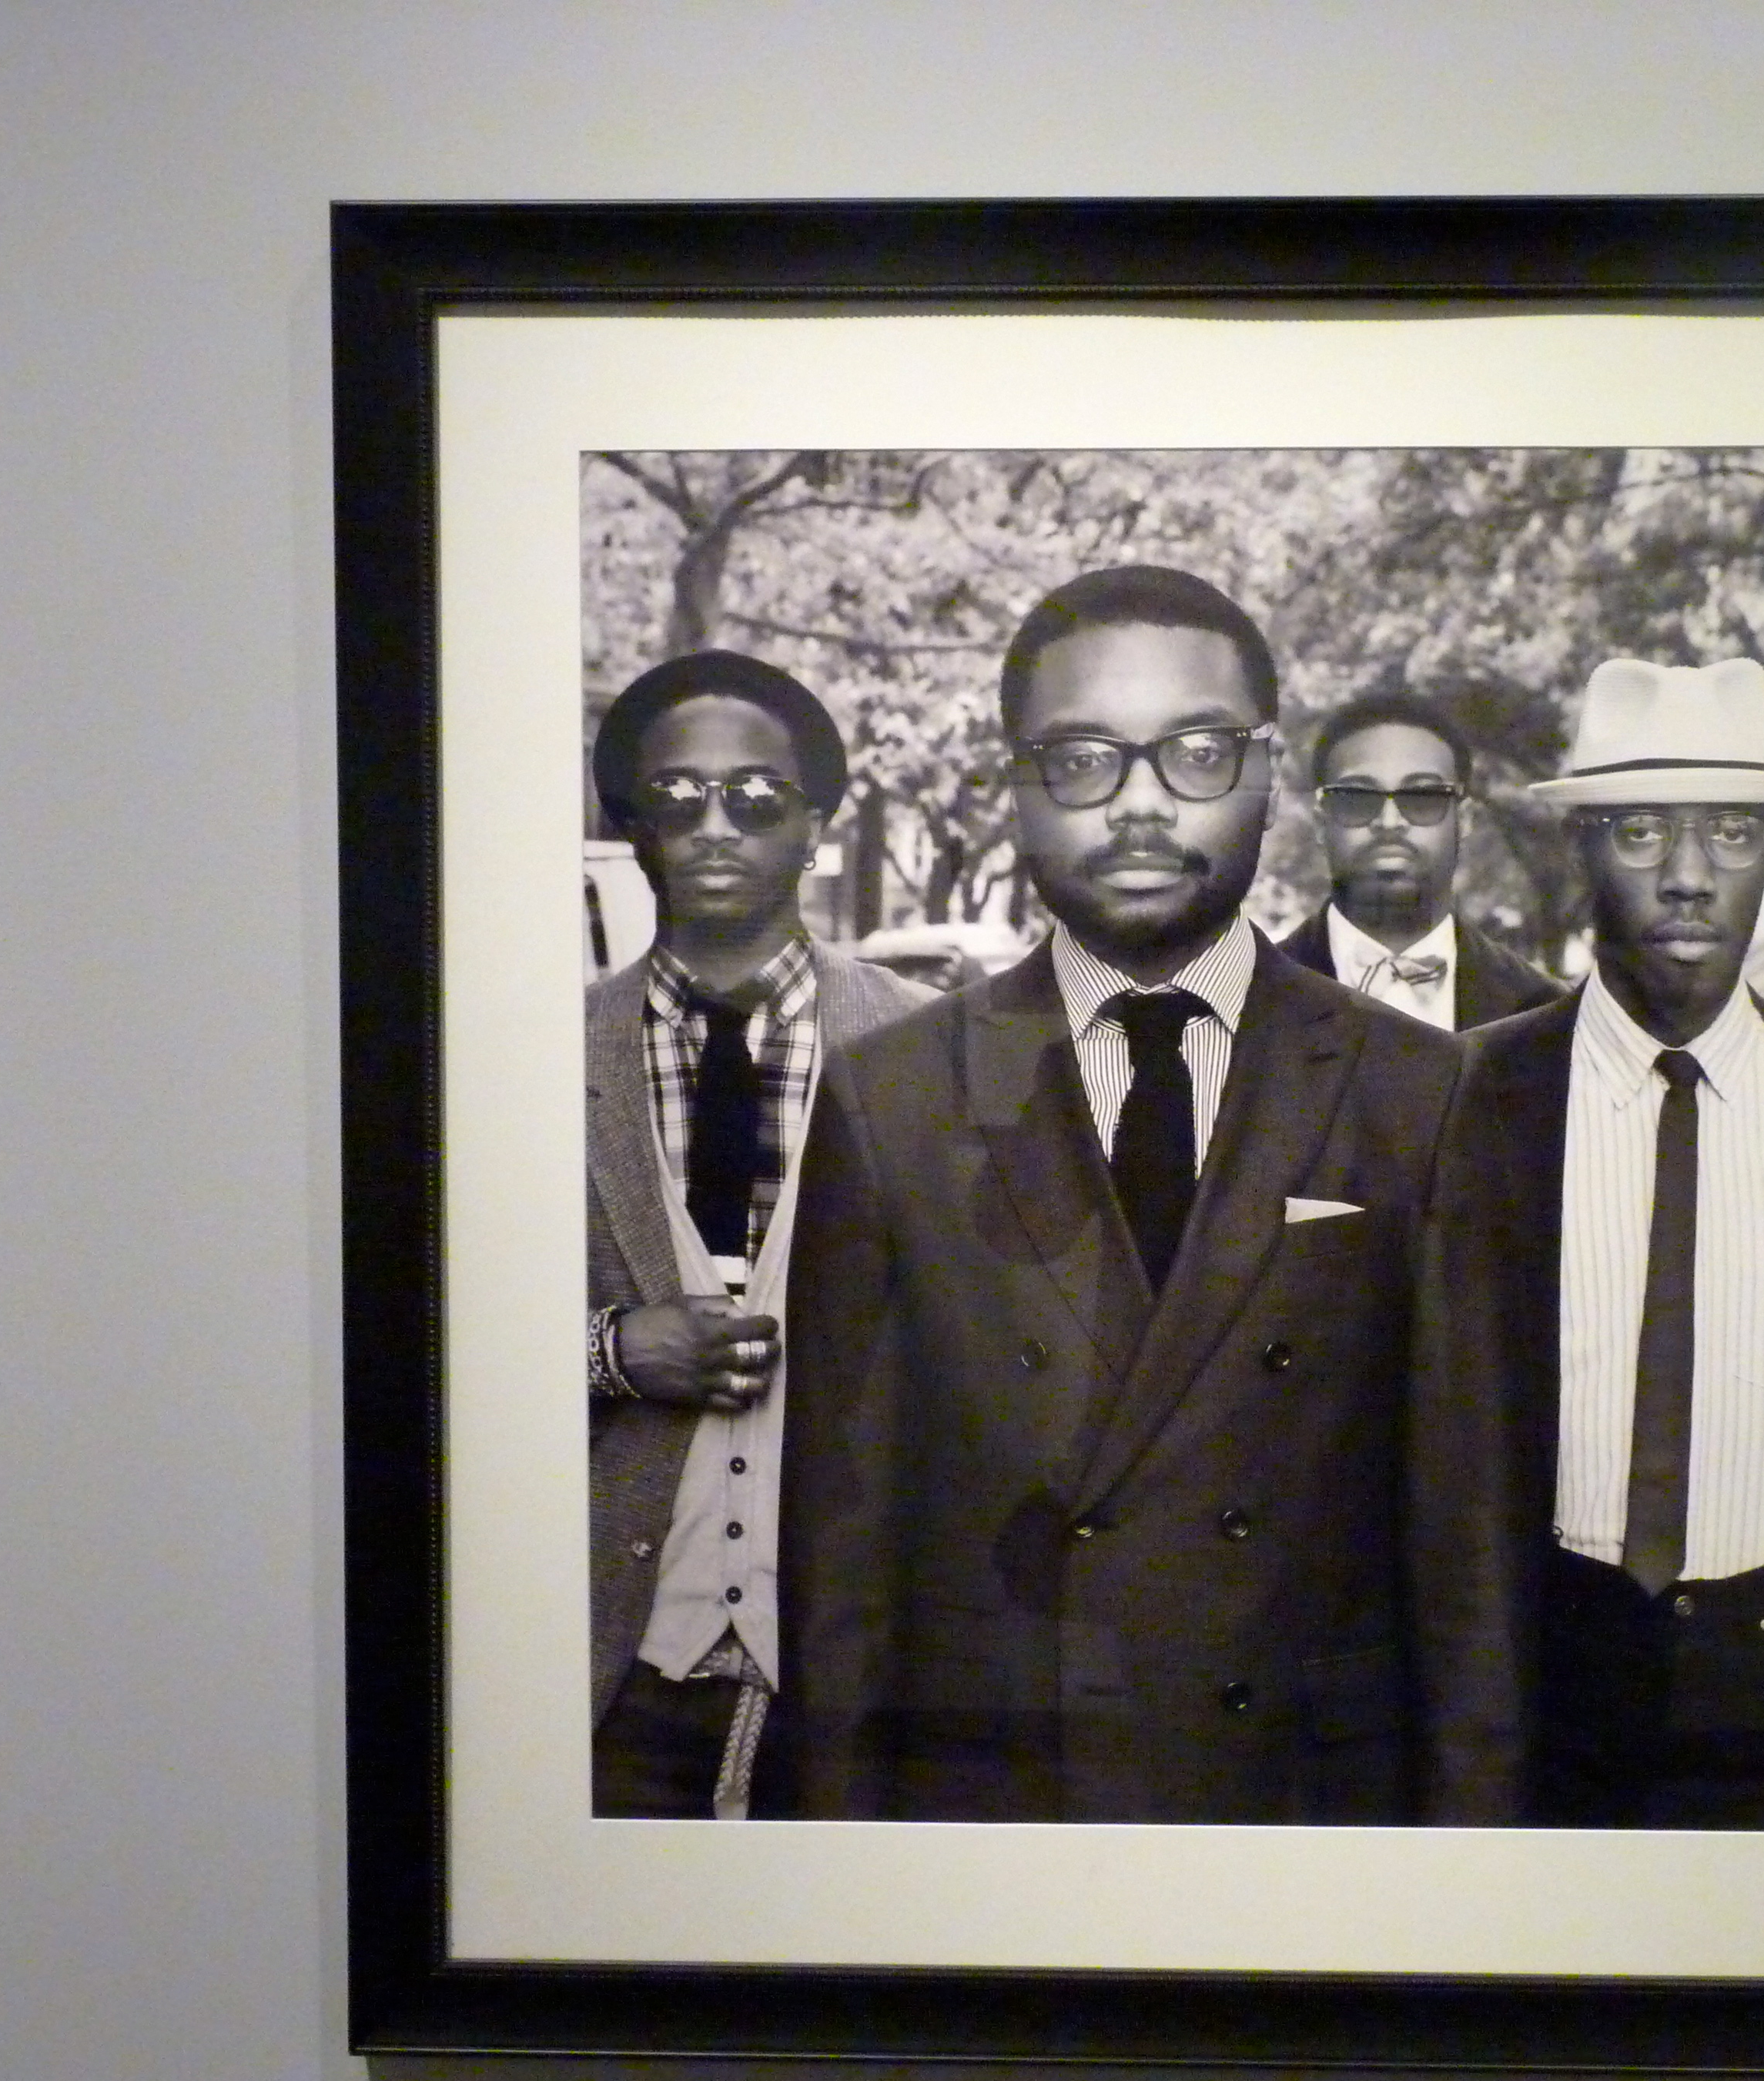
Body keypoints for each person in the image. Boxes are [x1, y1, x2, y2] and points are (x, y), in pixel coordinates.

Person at [782, 565, 1521, 1825]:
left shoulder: (1419, 1090)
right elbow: (841, 1573)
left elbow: (1467, 1559)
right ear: (1018, 784)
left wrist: (1469, 1874)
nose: (1138, 804)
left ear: (1267, 771)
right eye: (1082, 760)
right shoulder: (889, 1099)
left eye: (1197, 753)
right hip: (1001, 1805)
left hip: (1302, 1809)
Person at [1428, 656, 1764, 1829]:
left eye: (1729, 831)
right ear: (1584, 847)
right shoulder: (1466, 1095)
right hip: (1543, 1691)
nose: (1686, 875)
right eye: (1640, 831)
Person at [585, 647, 929, 1818]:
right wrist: (610, 1353)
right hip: (610, 1670)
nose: (715, 824)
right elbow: (424, 1335)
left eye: (756, 796)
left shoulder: (936, 1049)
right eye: (678, 797)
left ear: (815, 826)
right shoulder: (531, 1054)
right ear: (636, 830)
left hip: (856, 1673)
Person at [1275, 691, 1563, 1031]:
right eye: (1357, 797)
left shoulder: (1546, 1013)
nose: (1390, 822)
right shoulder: (1251, 997)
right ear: (1321, 822)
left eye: (1422, 796)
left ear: (1464, 820)